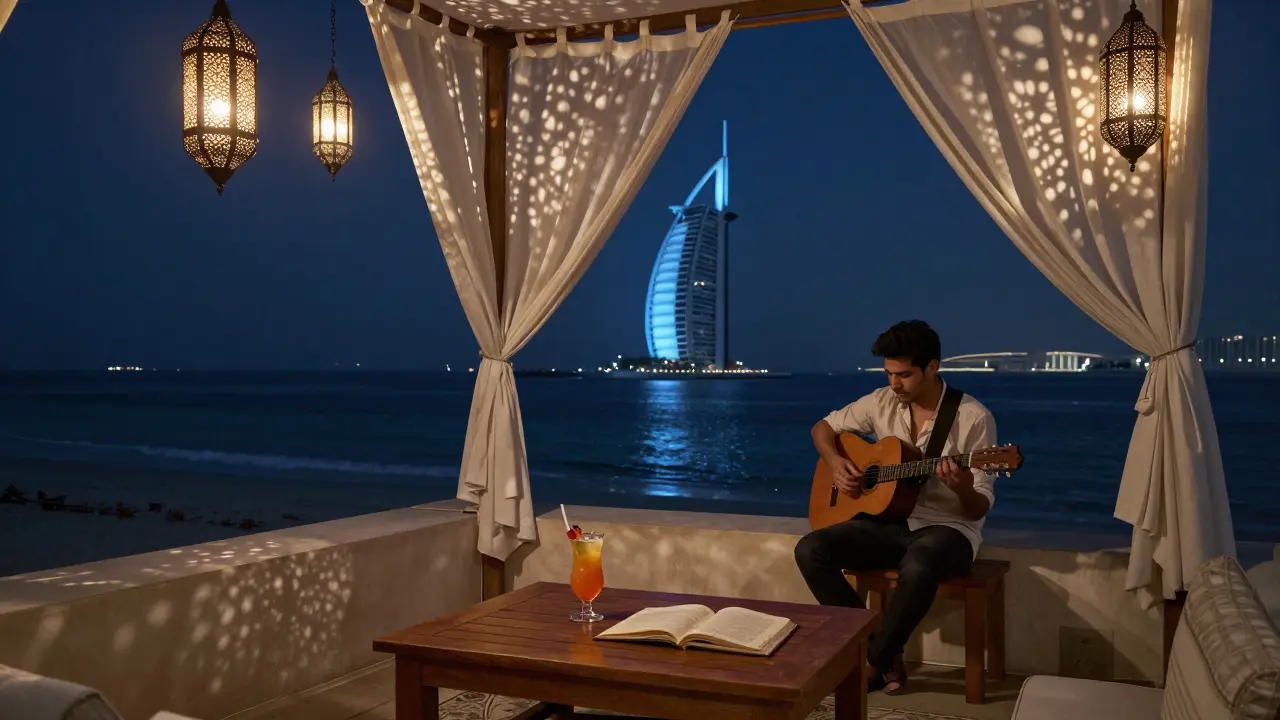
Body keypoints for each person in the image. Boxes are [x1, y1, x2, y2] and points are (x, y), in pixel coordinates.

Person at [794, 320, 997, 694]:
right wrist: (838, 465)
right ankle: (883, 652)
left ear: (932, 367)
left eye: (903, 375)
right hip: (889, 521)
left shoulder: (973, 418)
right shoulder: (880, 402)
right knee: (810, 549)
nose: (894, 384)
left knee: (919, 563)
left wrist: (963, 488)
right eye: (889, 373)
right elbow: (822, 428)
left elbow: (976, 509)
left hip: (949, 528)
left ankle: (872, 662)